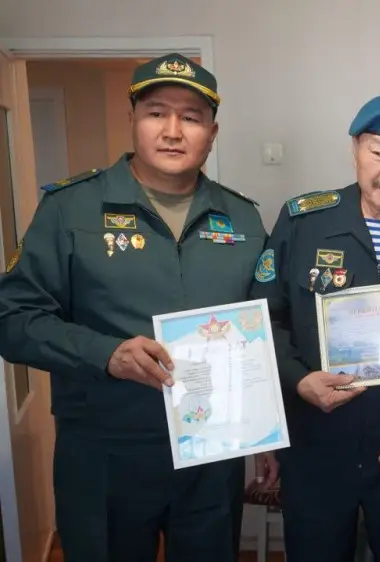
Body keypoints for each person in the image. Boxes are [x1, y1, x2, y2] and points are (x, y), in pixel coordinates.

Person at [0, 53, 267, 561]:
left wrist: (265, 430)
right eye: (156, 112)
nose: (172, 131)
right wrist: (106, 354)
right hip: (105, 450)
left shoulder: (243, 219)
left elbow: (263, 328)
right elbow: (13, 320)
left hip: (212, 452)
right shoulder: (70, 209)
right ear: (132, 119)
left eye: (191, 118)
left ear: (212, 133)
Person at [249, 93, 380, 562]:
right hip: (316, 443)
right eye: (379, 152)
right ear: (355, 151)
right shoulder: (304, 222)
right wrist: (298, 380)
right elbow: (264, 319)